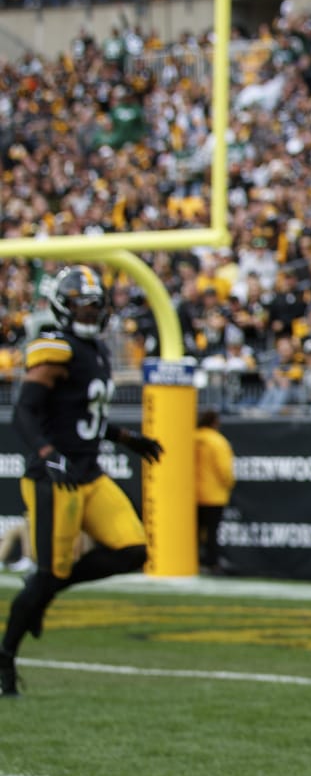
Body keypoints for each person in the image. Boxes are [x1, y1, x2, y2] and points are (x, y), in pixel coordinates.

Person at [2, 266, 163, 697]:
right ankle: (5, 658)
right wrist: (46, 454)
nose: (90, 314)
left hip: (88, 472)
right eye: (82, 307)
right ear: (62, 306)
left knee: (134, 551)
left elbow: (82, 416)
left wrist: (127, 438)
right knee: (48, 574)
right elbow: (25, 411)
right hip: (55, 477)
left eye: (95, 307)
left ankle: (50, 587)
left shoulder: (95, 350)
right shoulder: (55, 348)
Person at [195, 407, 236, 574]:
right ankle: (211, 563)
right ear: (215, 422)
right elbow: (224, 469)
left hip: (191, 494)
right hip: (213, 495)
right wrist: (228, 484)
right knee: (212, 533)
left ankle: (192, 561)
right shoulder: (217, 441)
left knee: (193, 533)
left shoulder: (190, 438)